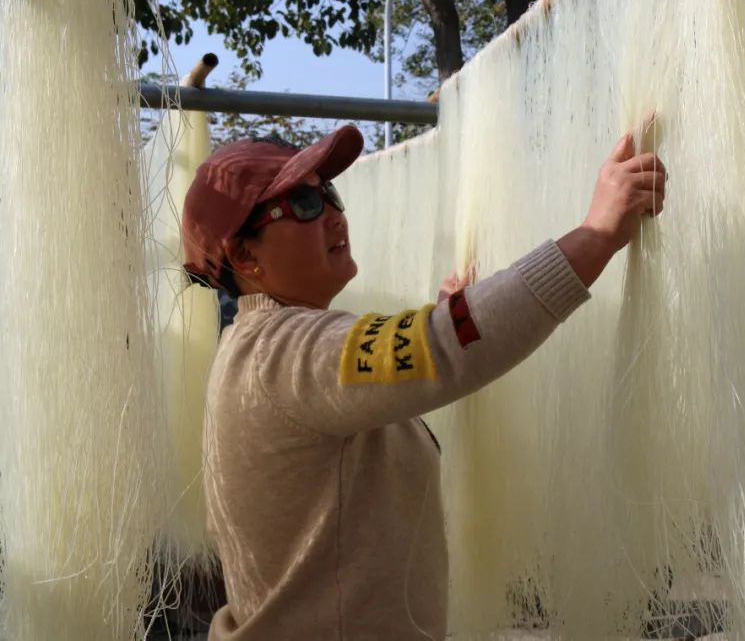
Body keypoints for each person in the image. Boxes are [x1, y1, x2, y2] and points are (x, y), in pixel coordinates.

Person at [180, 123, 666, 640]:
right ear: (244, 256)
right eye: (301, 203)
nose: (331, 214)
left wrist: (447, 319)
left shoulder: (270, 353)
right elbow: (445, 347)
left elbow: (421, 361)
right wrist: (597, 233)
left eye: (328, 194)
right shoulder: (281, 353)